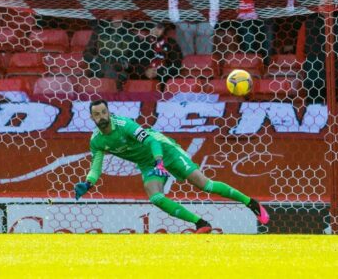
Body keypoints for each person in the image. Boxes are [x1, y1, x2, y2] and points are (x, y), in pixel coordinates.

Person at [74, 99, 270, 233]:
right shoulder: (97, 141)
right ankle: (201, 224)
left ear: (109, 112)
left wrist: (160, 161)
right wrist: (88, 183)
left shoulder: (125, 125)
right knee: (156, 197)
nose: (101, 117)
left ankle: (251, 203)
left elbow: (153, 142)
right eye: (96, 114)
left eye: (103, 112)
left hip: (165, 151)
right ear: (92, 118)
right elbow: (96, 166)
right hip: (146, 162)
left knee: (205, 185)